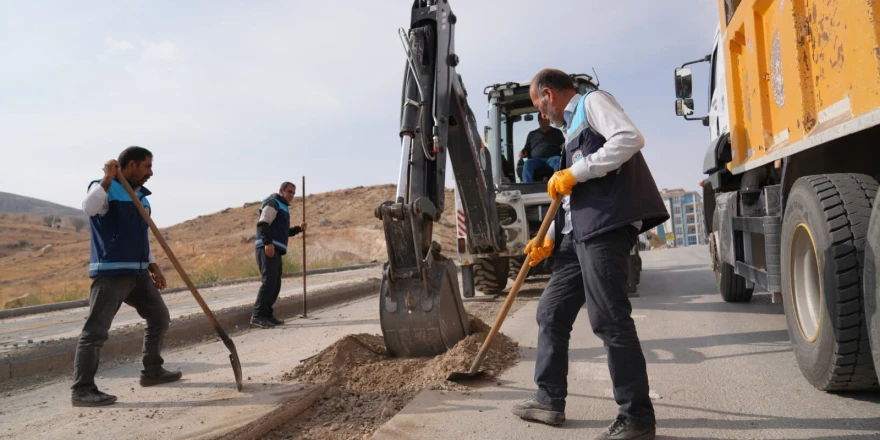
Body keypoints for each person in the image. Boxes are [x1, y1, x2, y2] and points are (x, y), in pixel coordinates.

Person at [511, 69, 669, 440]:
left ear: (548, 94)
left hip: (606, 228)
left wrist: (576, 172)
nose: (541, 113)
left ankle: (637, 418)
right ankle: (549, 399)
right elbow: (569, 198)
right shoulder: (569, 136)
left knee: (609, 319)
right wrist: (547, 236)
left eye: (538, 104)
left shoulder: (594, 102)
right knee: (550, 311)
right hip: (576, 235)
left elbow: (630, 138)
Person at [73, 146, 180, 407]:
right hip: (111, 273)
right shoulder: (104, 188)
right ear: (130, 165)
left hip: (139, 272)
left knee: (159, 316)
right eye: (147, 166)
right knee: (95, 332)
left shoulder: (142, 198)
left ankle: (152, 371)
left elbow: (141, 235)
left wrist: (153, 265)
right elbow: (88, 208)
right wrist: (109, 178)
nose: (151, 172)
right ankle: (82, 389)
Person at [250, 182, 307, 329]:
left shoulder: (283, 207)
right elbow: (263, 223)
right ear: (281, 191)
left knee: (275, 284)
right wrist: (267, 243)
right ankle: (258, 316)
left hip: (275, 249)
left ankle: (267, 314)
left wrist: (298, 229)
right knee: (269, 282)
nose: (292, 195)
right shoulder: (273, 203)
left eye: (294, 193)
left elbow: (283, 231)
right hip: (267, 248)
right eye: (289, 192)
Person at [519, 111, 566, 182]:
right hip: (536, 159)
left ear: (549, 120)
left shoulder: (557, 132)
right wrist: (523, 153)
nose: (543, 121)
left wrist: (564, 146)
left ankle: (559, 183)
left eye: (545, 119)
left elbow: (563, 144)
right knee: (527, 163)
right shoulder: (532, 134)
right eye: (541, 120)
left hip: (552, 158)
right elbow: (527, 148)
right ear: (538, 121)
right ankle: (527, 186)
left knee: (558, 160)